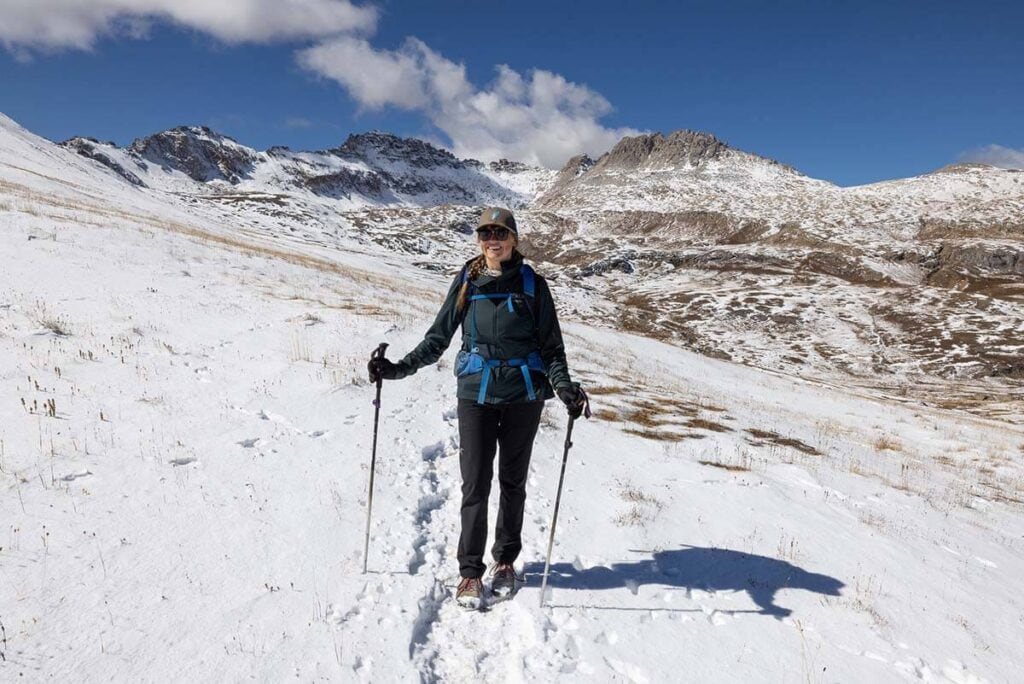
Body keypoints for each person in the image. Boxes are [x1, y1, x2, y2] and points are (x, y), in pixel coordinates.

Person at [368, 207, 587, 609]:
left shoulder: (533, 285)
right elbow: (439, 337)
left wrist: (564, 387)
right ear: (479, 240)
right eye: (485, 233)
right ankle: (470, 572)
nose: (492, 240)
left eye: (500, 233)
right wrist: (397, 369)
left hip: (524, 395)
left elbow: (551, 347)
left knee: (512, 483)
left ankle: (505, 561)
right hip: (476, 395)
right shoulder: (467, 280)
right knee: (474, 484)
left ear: (514, 239)